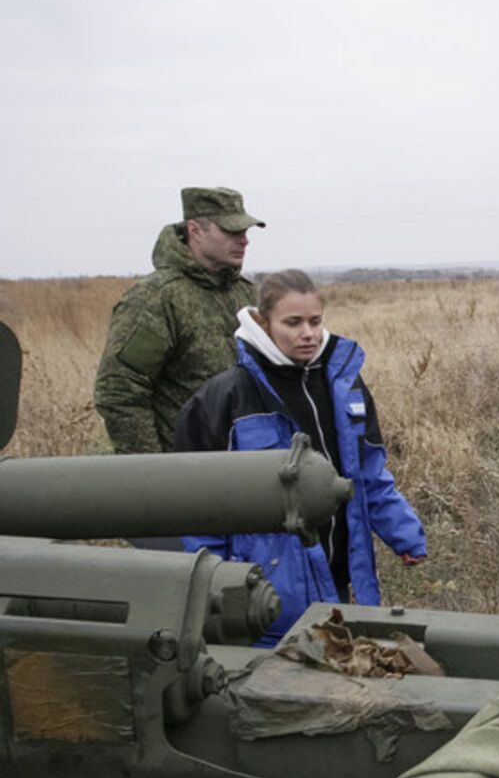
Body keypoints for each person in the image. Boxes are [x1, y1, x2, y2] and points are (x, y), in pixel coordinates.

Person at [174, 270, 427, 646]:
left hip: (340, 575)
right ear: (263, 323)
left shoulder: (345, 386)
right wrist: (216, 586)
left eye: (315, 321)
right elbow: (199, 505)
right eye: (292, 323)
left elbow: (369, 474)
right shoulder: (224, 398)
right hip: (267, 593)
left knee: (339, 663)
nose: (307, 333)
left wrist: (405, 535)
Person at [95, 186, 264, 454]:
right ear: (195, 230)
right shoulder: (156, 299)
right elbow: (120, 391)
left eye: (245, 232)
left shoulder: (245, 292)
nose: (244, 241)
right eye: (231, 231)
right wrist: (153, 468)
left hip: (244, 461)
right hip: (185, 467)